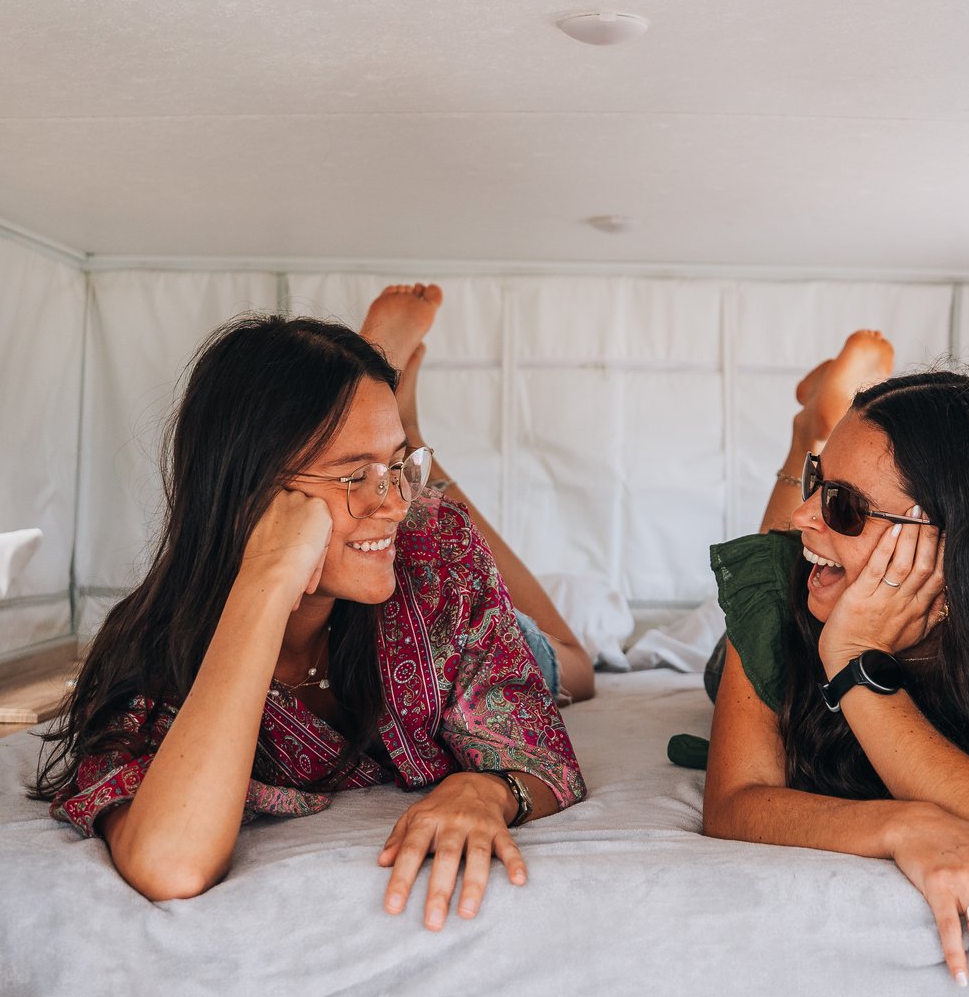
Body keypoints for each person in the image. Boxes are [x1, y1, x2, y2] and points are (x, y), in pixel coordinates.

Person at [34, 315, 584, 922]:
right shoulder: (152, 655)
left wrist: (481, 788)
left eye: (400, 463)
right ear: (250, 491)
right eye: (356, 476)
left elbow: (541, 756)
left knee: (575, 666)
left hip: (469, 632)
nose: (398, 503)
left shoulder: (436, 549)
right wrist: (267, 583)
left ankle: (408, 421)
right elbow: (171, 863)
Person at [690, 336, 969, 997]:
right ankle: (813, 431)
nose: (806, 512)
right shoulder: (779, 601)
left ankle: (823, 425)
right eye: (819, 483)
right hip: (783, 622)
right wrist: (904, 826)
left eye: (844, 504)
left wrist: (853, 664)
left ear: (959, 538)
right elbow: (733, 804)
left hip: (845, 623)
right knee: (782, 556)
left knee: (798, 547)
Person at [357, 282, 599, 703]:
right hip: (420, 627)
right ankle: (393, 420)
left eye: (398, 462)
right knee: (576, 666)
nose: (398, 501)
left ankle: (379, 407)